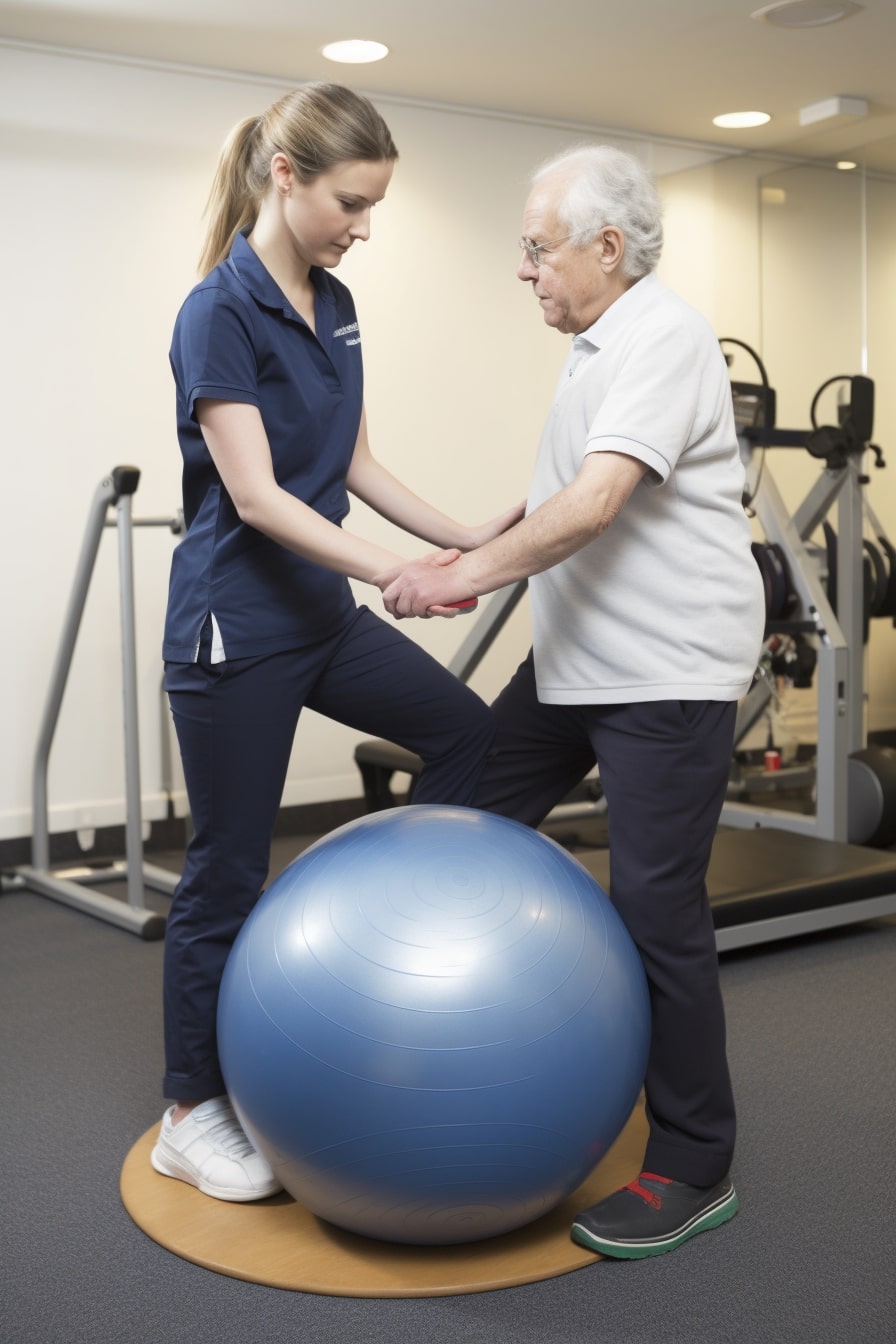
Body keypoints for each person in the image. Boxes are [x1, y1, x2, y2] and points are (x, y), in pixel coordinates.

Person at [377, 144, 766, 1260]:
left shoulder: (665, 334)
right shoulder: (598, 344)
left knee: (654, 910)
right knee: (456, 819)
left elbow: (595, 503)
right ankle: (442, 1058)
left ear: (607, 247)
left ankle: (693, 1162)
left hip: (665, 670)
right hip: (578, 659)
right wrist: (471, 540)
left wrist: (460, 578)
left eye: (536, 248)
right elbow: (556, 491)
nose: (522, 270)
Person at [151, 83, 522, 1203]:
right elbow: (259, 498)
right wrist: (396, 573)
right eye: (350, 202)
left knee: (468, 739)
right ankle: (187, 1108)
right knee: (226, 869)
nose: (363, 225)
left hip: (317, 616)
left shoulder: (338, 300)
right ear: (285, 178)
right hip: (237, 626)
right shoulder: (215, 311)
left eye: (372, 207)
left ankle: (390, 957)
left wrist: (460, 535)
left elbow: (353, 461)